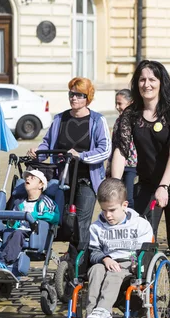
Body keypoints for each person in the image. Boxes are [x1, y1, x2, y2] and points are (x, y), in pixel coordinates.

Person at [112, 60, 170, 315]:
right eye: (142, 80)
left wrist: (165, 185)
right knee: (141, 240)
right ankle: (138, 292)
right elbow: (120, 151)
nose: (146, 84)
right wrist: (114, 189)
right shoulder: (131, 115)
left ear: (161, 83)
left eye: (152, 79)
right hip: (148, 184)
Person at [26, 77, 111, 264]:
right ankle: (68, 260)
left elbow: (105, 149)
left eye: (79, 95)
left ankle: (78, 265)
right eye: (71, 94)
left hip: (87, 179)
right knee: (64, 220)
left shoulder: (97, 120)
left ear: (87, 98)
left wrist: (81, 156)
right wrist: (38, 153)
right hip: (62, 178)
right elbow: (48, 143)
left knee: (81, 222)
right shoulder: (60, 119)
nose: (74, 98)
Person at [85, 178, 153, 318]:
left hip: (130, 262)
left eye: (112, 210)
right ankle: (91, 314)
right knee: (95, 270)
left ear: (124, 205)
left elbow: (142, 250)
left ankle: (103, 309)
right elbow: (94, 251)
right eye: (104, 210)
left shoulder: (139, 224)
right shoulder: (97, 227)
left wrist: (136, 264)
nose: (108, 215)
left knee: (114, 274)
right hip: (106, 261)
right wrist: (105, 258)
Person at [0, 169, 60, 270]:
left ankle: (3, 262)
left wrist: (34, 215)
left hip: (31, 232)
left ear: (40, 185)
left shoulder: (45, 202)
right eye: (27, 177)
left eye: (32, 178)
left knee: (18, 234)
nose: (28, 178)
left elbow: (55, 217)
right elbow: (10, 222)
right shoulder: (18, 203)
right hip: (12, 231)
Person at [112, 89, 137, 207]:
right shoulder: (118, 121)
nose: (117, 107)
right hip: (117, 164)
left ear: (130, 103)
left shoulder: (137, 120)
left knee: (128, 197)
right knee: (117, 196)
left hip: (131, 165)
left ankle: (132, 221)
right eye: (116, 103)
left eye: (120, 103)